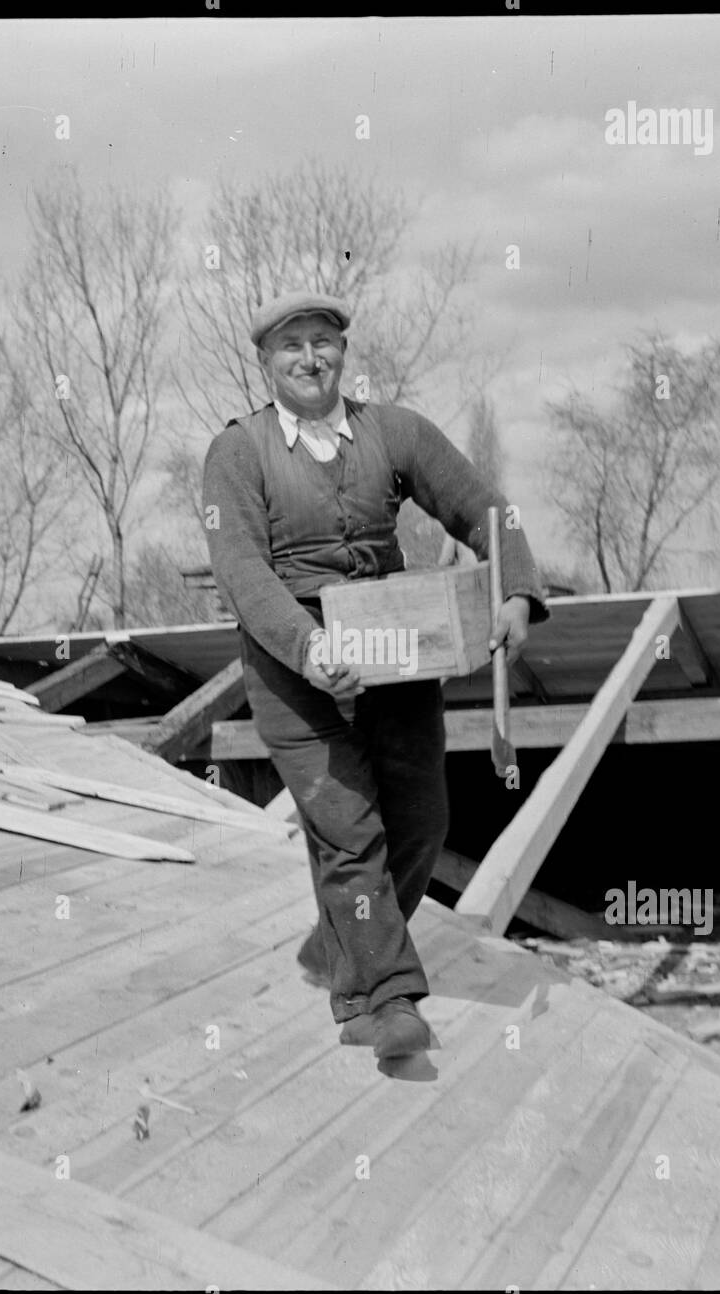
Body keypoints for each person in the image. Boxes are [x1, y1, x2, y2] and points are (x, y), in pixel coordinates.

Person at [202, 289, 549, 1059]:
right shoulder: (237, 453)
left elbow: (486, 509)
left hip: (394, 650)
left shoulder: (394, 432)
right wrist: (309, 649)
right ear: (266, 364)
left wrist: (516, 587)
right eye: (291, 347)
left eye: (322, 342)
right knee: (349, 829)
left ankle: (343, 956)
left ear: (343, 353)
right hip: (292, 664)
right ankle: (385, 1002)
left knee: (421, 819)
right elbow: (241, 571)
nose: (310, 359)